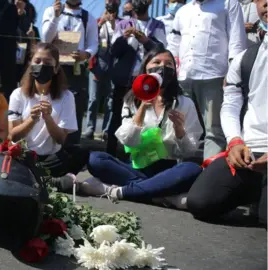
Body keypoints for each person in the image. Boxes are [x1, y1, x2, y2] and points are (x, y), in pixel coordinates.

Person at [86, 48, 203, 209]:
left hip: (166, 171)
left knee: (192, 169)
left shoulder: (184, 103)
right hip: (135, 167)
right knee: (96, 159)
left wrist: (179, 129)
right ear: (145, 68)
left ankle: (120, 191)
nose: (162, 67)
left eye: (169, 64)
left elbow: (188, 151)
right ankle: (161, 194)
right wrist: (141, 110)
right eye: (156, 62)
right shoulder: (132, 99)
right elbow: (128, 141)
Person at [187, 0, 267, 225]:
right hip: (249, 153)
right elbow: (231, 104)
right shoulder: (245, 58)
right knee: (200, 202)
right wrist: (234, 141)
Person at [167, 0, 247, 160]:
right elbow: (173, 44)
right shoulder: (183, 11)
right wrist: (171, 72)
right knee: (182, 127)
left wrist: (233, 73)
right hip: (184, 78)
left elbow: (237, 40)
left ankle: (209, 175)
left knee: (214, 131)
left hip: (214, 76)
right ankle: (182, 173)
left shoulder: (228, 4)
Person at [8, 42, 90, 192]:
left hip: (51, 158)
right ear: (30, 65)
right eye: (37, 61)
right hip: (24, 156)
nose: (41, 66)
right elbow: (13, 135)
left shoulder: (67, 96)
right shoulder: (18, 94)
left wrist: (48, 118)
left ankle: (34, 178)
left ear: (56, 68)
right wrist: (31, 120)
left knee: (81, 153)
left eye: (47, 63)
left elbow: (61, 139)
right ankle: (49, 181)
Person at [106, 0, 166, 157]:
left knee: (142, 118)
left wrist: (145, 40)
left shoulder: (157, 25)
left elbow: (161, 50)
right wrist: (123, 38)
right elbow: (113, 51)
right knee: (117, 116)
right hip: (124, 80)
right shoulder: (123, 24)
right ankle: (111, 154)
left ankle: (136, 157)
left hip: (145, 81)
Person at [41, 0, 99, 145]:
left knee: (75, 107)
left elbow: (93, 43)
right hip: (54, 68)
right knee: (51, 104)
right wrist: (55, 16)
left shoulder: (88, 17)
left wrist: (85, 54)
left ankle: (72, 148)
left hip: (75, 69)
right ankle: (46, 144)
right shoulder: (51, 11)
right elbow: (46, 38)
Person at [82, 0, 121, 141]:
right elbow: (88, 39)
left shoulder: (121, 23)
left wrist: (113, 24)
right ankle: (90, 128)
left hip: (114, 66)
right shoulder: (96, 21)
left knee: (110, 100)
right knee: (93, 98)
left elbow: (123, 40)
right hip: (97, 64)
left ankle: (106, 130)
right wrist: (101, 23)